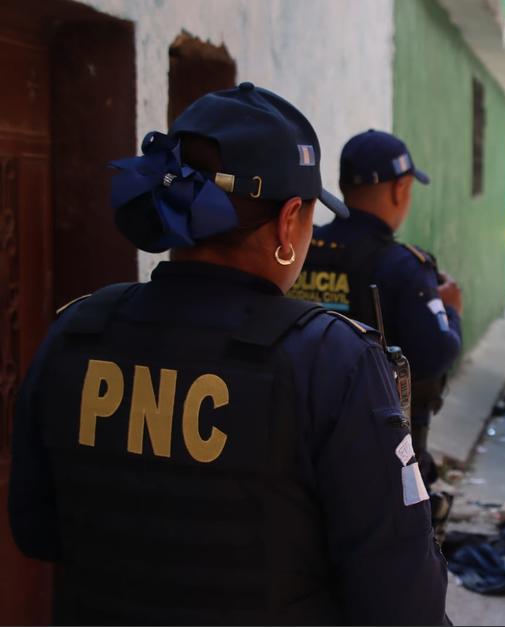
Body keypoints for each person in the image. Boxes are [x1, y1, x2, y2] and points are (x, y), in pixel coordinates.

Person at [8, 84, 447, 625]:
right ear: (289, 220)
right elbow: (404, 600)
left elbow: (35, 529)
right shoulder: (335, 361)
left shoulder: (76, 331)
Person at [290, 130, 462, 507]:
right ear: (400, 189)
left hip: (293, 435)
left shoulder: (300, 247)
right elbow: (436, 354)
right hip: (378, 455)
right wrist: (450, 310)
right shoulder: (404, 267)